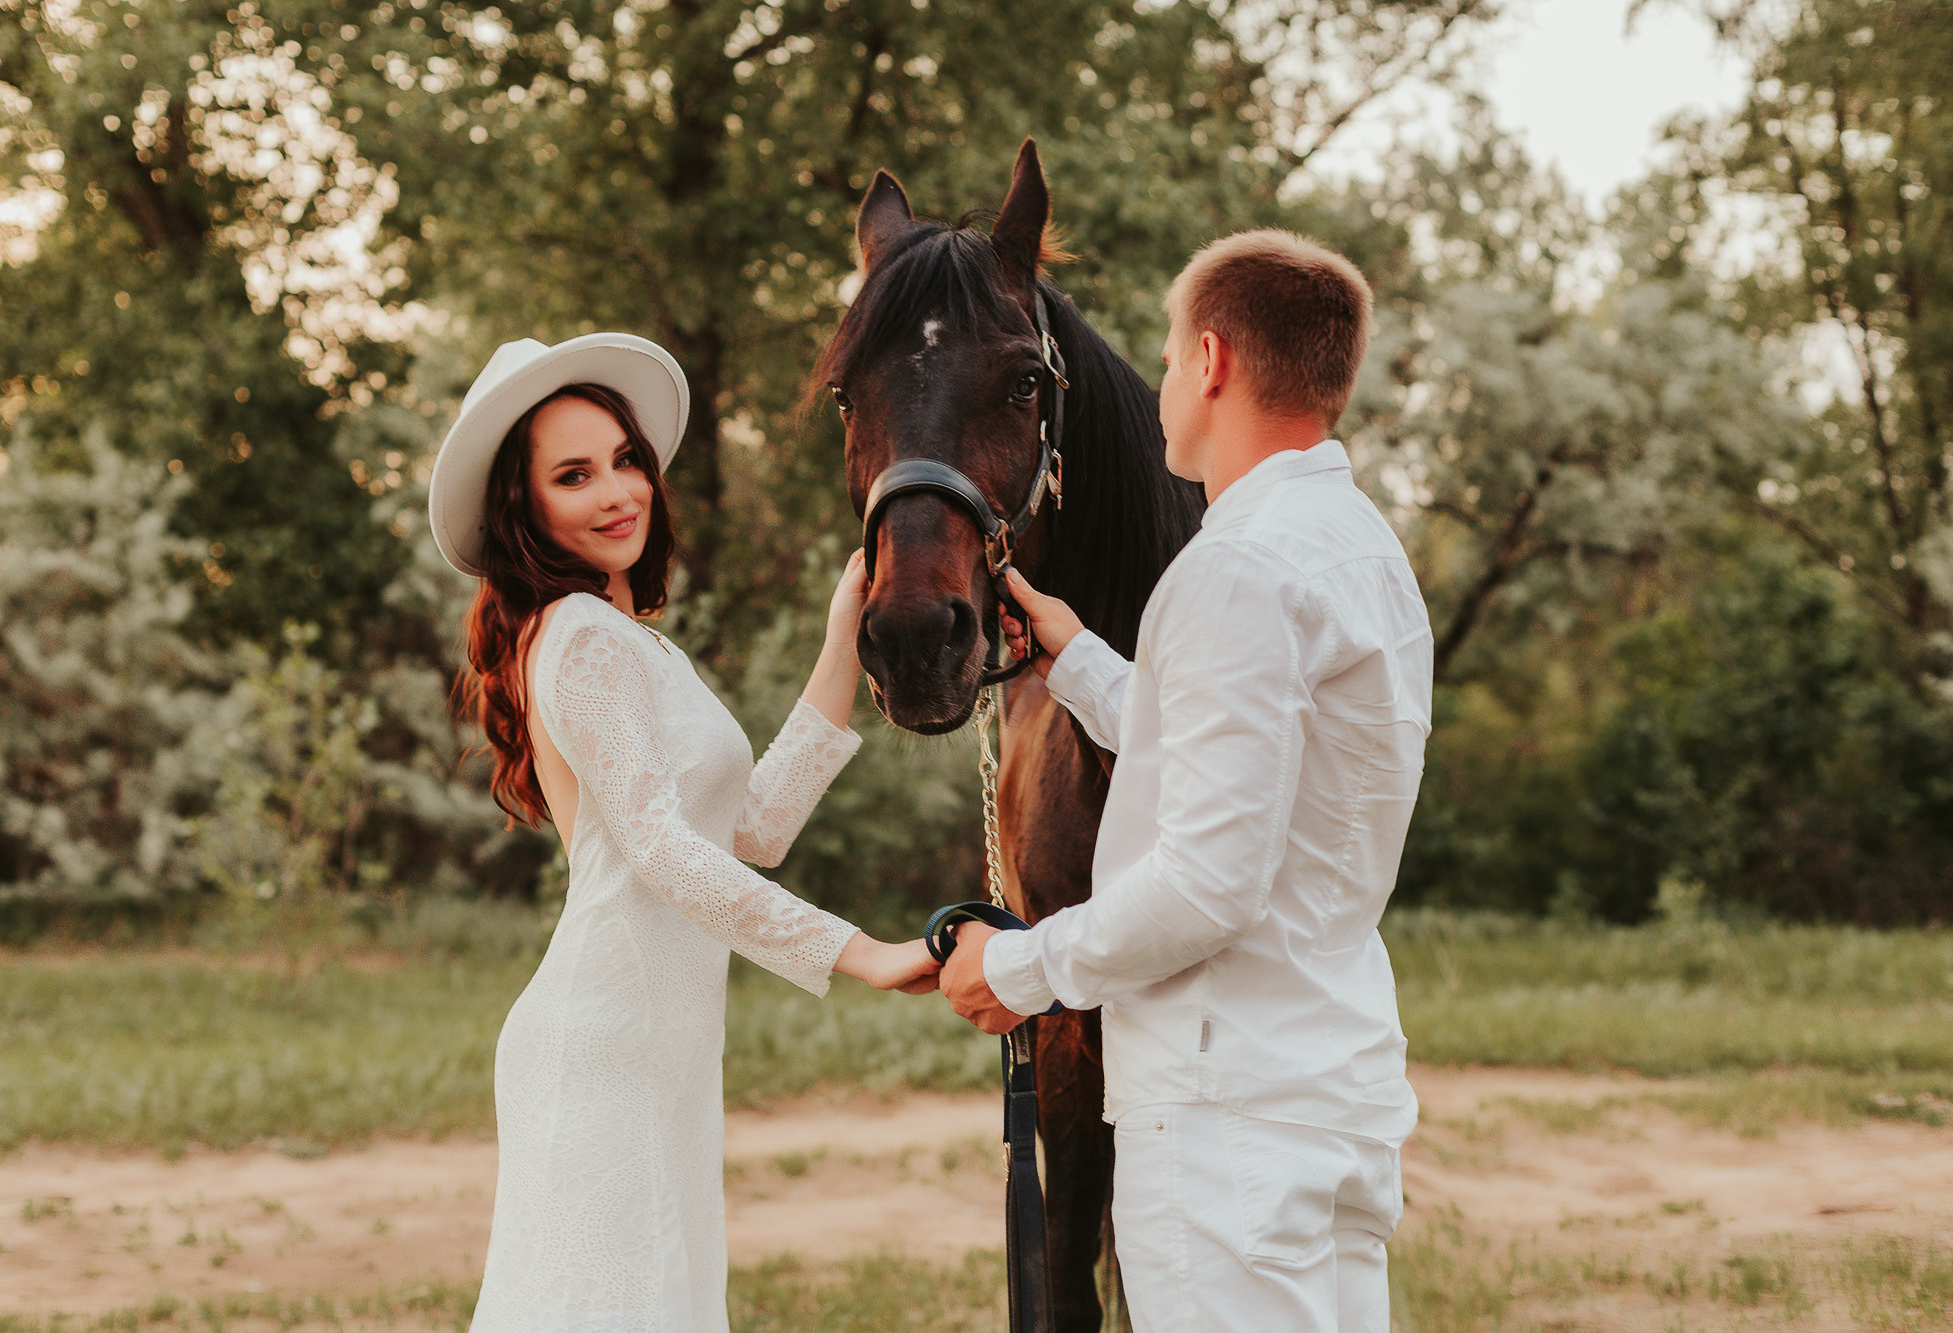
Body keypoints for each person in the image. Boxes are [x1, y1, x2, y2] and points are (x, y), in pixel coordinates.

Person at [938, 232, 1433, 1333]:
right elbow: (1251, 773)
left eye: (1166, 356)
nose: (1160, 383)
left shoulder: (1231, 569)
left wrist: (1018, 967)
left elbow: (1208, 883)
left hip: (1225, 1123)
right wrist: (1077, 663)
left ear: (1209, 359)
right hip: (1329, 1093)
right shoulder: (1359, 553)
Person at [427, 332, 941, 1332]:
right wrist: (860, 954)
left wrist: (843, 634)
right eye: (572, 475)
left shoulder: (627, 643)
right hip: (603, 1043)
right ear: (522, 507)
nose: (617, 490)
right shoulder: (579, 641)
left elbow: (749, 829)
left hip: (662, 1045)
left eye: (624, 459)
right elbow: (665, 855)